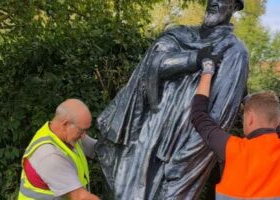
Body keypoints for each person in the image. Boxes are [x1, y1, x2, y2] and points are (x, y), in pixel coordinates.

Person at [95, 0, 248, 199]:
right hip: (147, 135)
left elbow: (219, 117)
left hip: (180, 146)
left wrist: (186, 160)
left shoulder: (234, 52)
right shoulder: (180, 35)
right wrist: (193, 59)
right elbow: (153, 64)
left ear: (235, 7)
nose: (214, 1)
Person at [190, 58, 280, 199]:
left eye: (243, 117)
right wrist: (248, 99)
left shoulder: (235, 149)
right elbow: (277, 130)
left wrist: (207, 71)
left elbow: (198, 115)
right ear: (278, 120)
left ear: (250, 118)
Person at [18, 99, 100, 200]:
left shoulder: (69, 137)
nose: (84, 135)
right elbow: (80, 197)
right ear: (65, 124)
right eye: (82, 130)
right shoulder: (49, 155)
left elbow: (100, 150)